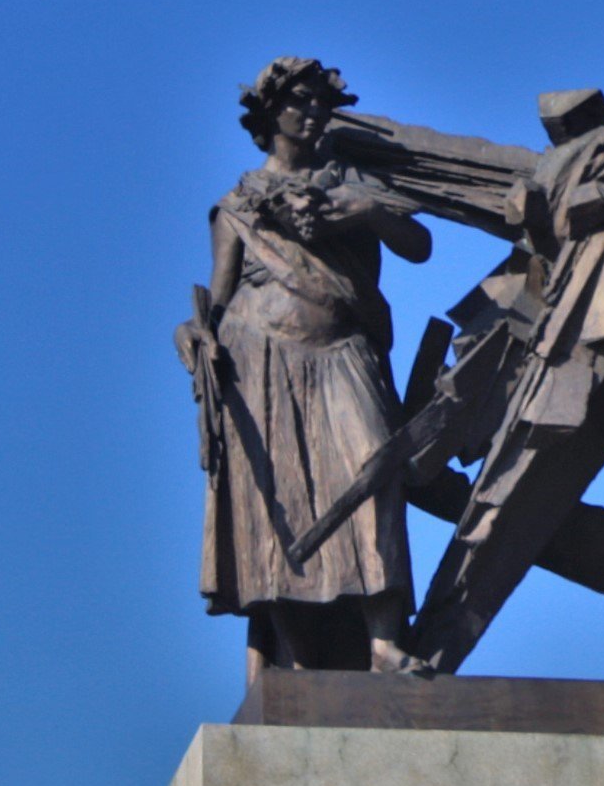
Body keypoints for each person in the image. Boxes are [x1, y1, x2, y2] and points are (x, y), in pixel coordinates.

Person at [180, 57, 432, 674]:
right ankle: (295, 658)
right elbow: (220, 292)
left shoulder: (353, 182)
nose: (313, 111)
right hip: (261, 356)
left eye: (322, 101)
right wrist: (191, 333)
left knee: (374, 471)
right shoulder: (237, 203)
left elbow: (419, 246)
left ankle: (384, 642)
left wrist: (364, 211)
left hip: (344, 348)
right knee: (280, 506)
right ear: (270, 113)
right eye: (299, 101)